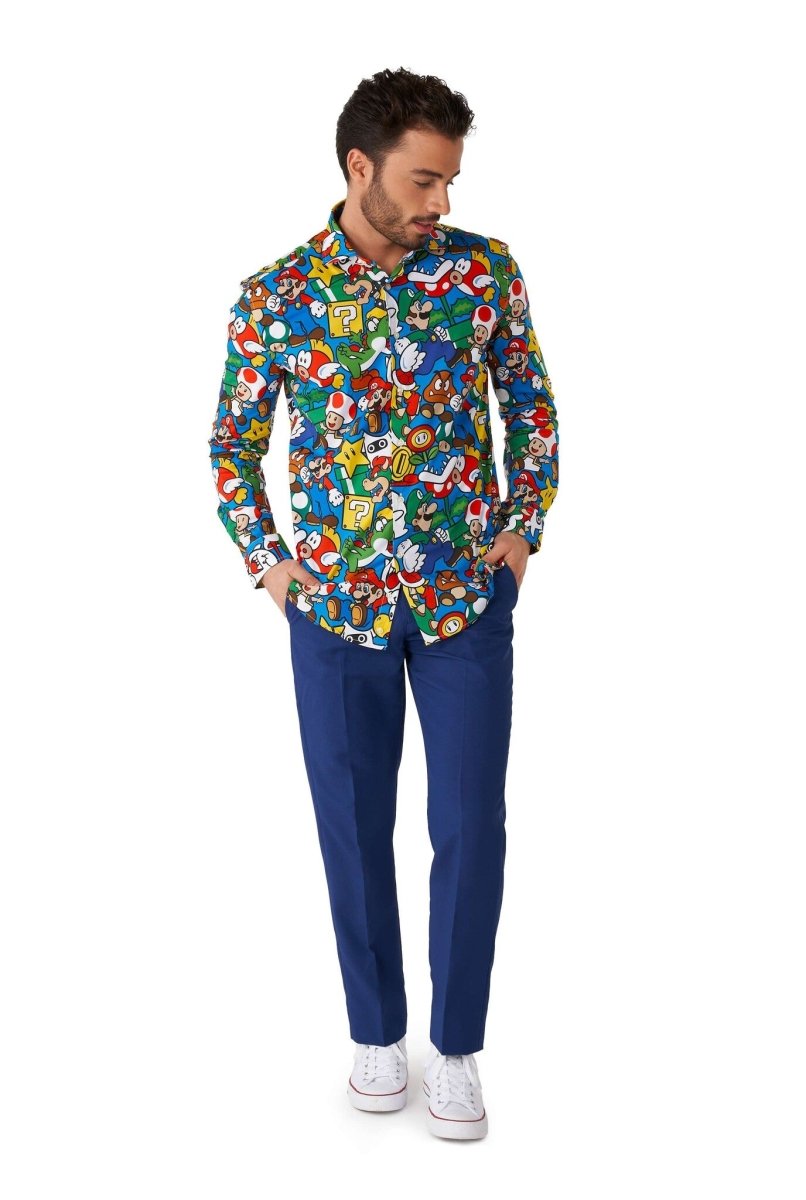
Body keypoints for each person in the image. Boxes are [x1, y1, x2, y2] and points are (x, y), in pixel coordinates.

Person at [208, 66, 559, 1140]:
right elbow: (232, 446)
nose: (439, 202)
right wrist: (271, 566)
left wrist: (519, 536)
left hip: (462, 601)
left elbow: (532, 412)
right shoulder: (277, 295)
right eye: (422, 181)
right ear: (359, 167)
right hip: (333, 612)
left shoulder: (484, 272)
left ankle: (455, 1051)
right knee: (352, 829)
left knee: (470, 824)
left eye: (449, 182)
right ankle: (375, 1035)